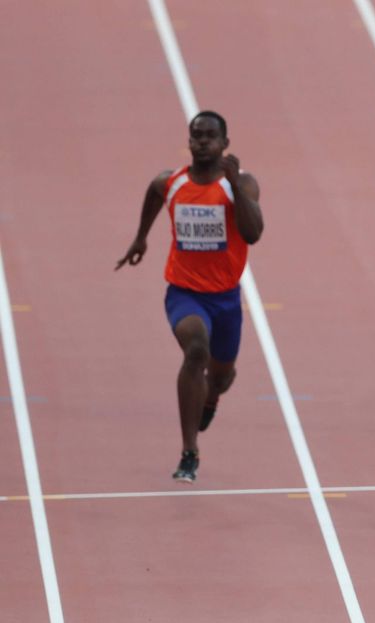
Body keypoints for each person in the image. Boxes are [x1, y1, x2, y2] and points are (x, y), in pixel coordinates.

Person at [115, 111, 264, 482]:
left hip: (226, 298)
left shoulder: (241, 185)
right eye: (196, 136)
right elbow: (153, 191)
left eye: (210, 137)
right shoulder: (173, 182)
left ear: (225, 144)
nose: (201, 143)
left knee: (222, 376)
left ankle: (211, 397)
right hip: (184, 293)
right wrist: (141, 237)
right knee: (196, 350)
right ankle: (189, 452)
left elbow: (253, 232)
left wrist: (233, 184)